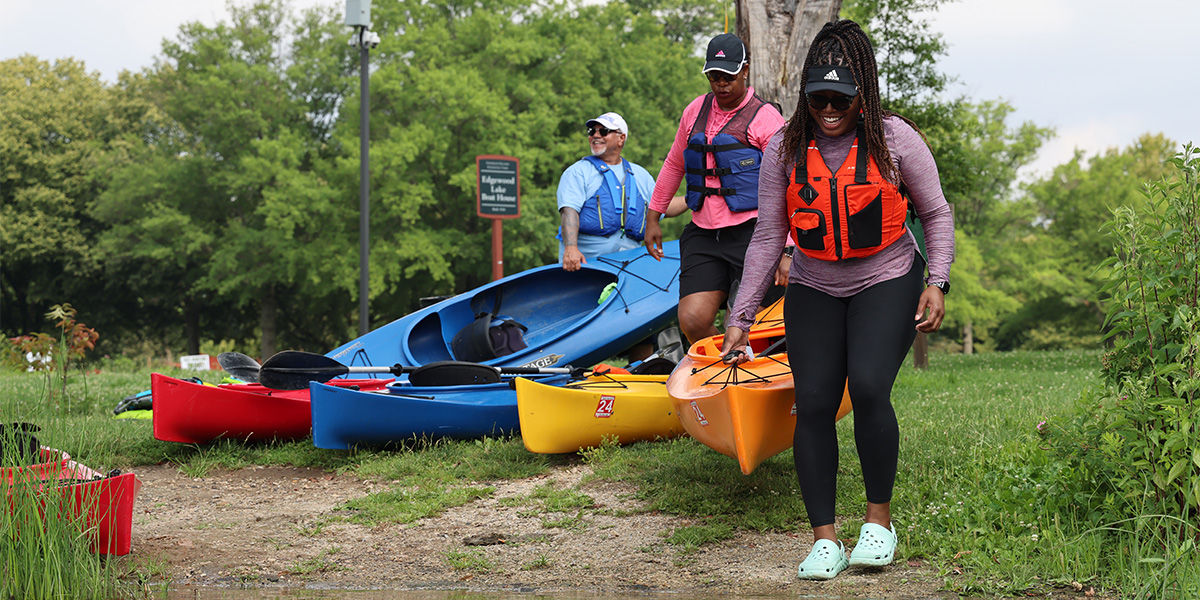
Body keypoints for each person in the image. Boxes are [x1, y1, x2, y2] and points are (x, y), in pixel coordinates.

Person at [720, 20, 955, 580]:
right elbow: (767, 237)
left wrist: (937, 281)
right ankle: (825, 539)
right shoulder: (784, 146)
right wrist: (741, 318)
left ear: (863, 95)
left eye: (841, 99)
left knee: (870, 385)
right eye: (819, 98)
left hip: (888, 276)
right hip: (814, 283)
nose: (829, 109)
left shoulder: (895, 139)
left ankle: (878, 523)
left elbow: (938, 213)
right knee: (816, 402)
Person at [644, 33, 788, 344]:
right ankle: (723, 362)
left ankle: (759, 369)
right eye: (714, 76)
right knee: (692, 319)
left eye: (729, 76)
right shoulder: (694, 110)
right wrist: (653, 217)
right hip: (704, 233)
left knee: (763, 324)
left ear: (745, 70)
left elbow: (789, 182)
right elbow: (673, 164)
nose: (721, 83)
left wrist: (786, 247)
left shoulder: (767, 119)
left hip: (754, 232)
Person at [556, 112, 657, 271]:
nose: (596, 135)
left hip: (630, 264)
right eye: (592, 132)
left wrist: (691, 198)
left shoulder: (641, 175)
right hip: (587, 263)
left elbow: (663, 205)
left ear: (621, 138)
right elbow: (569, 211)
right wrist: (571, 248)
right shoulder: (577, 172)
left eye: (603, 131)